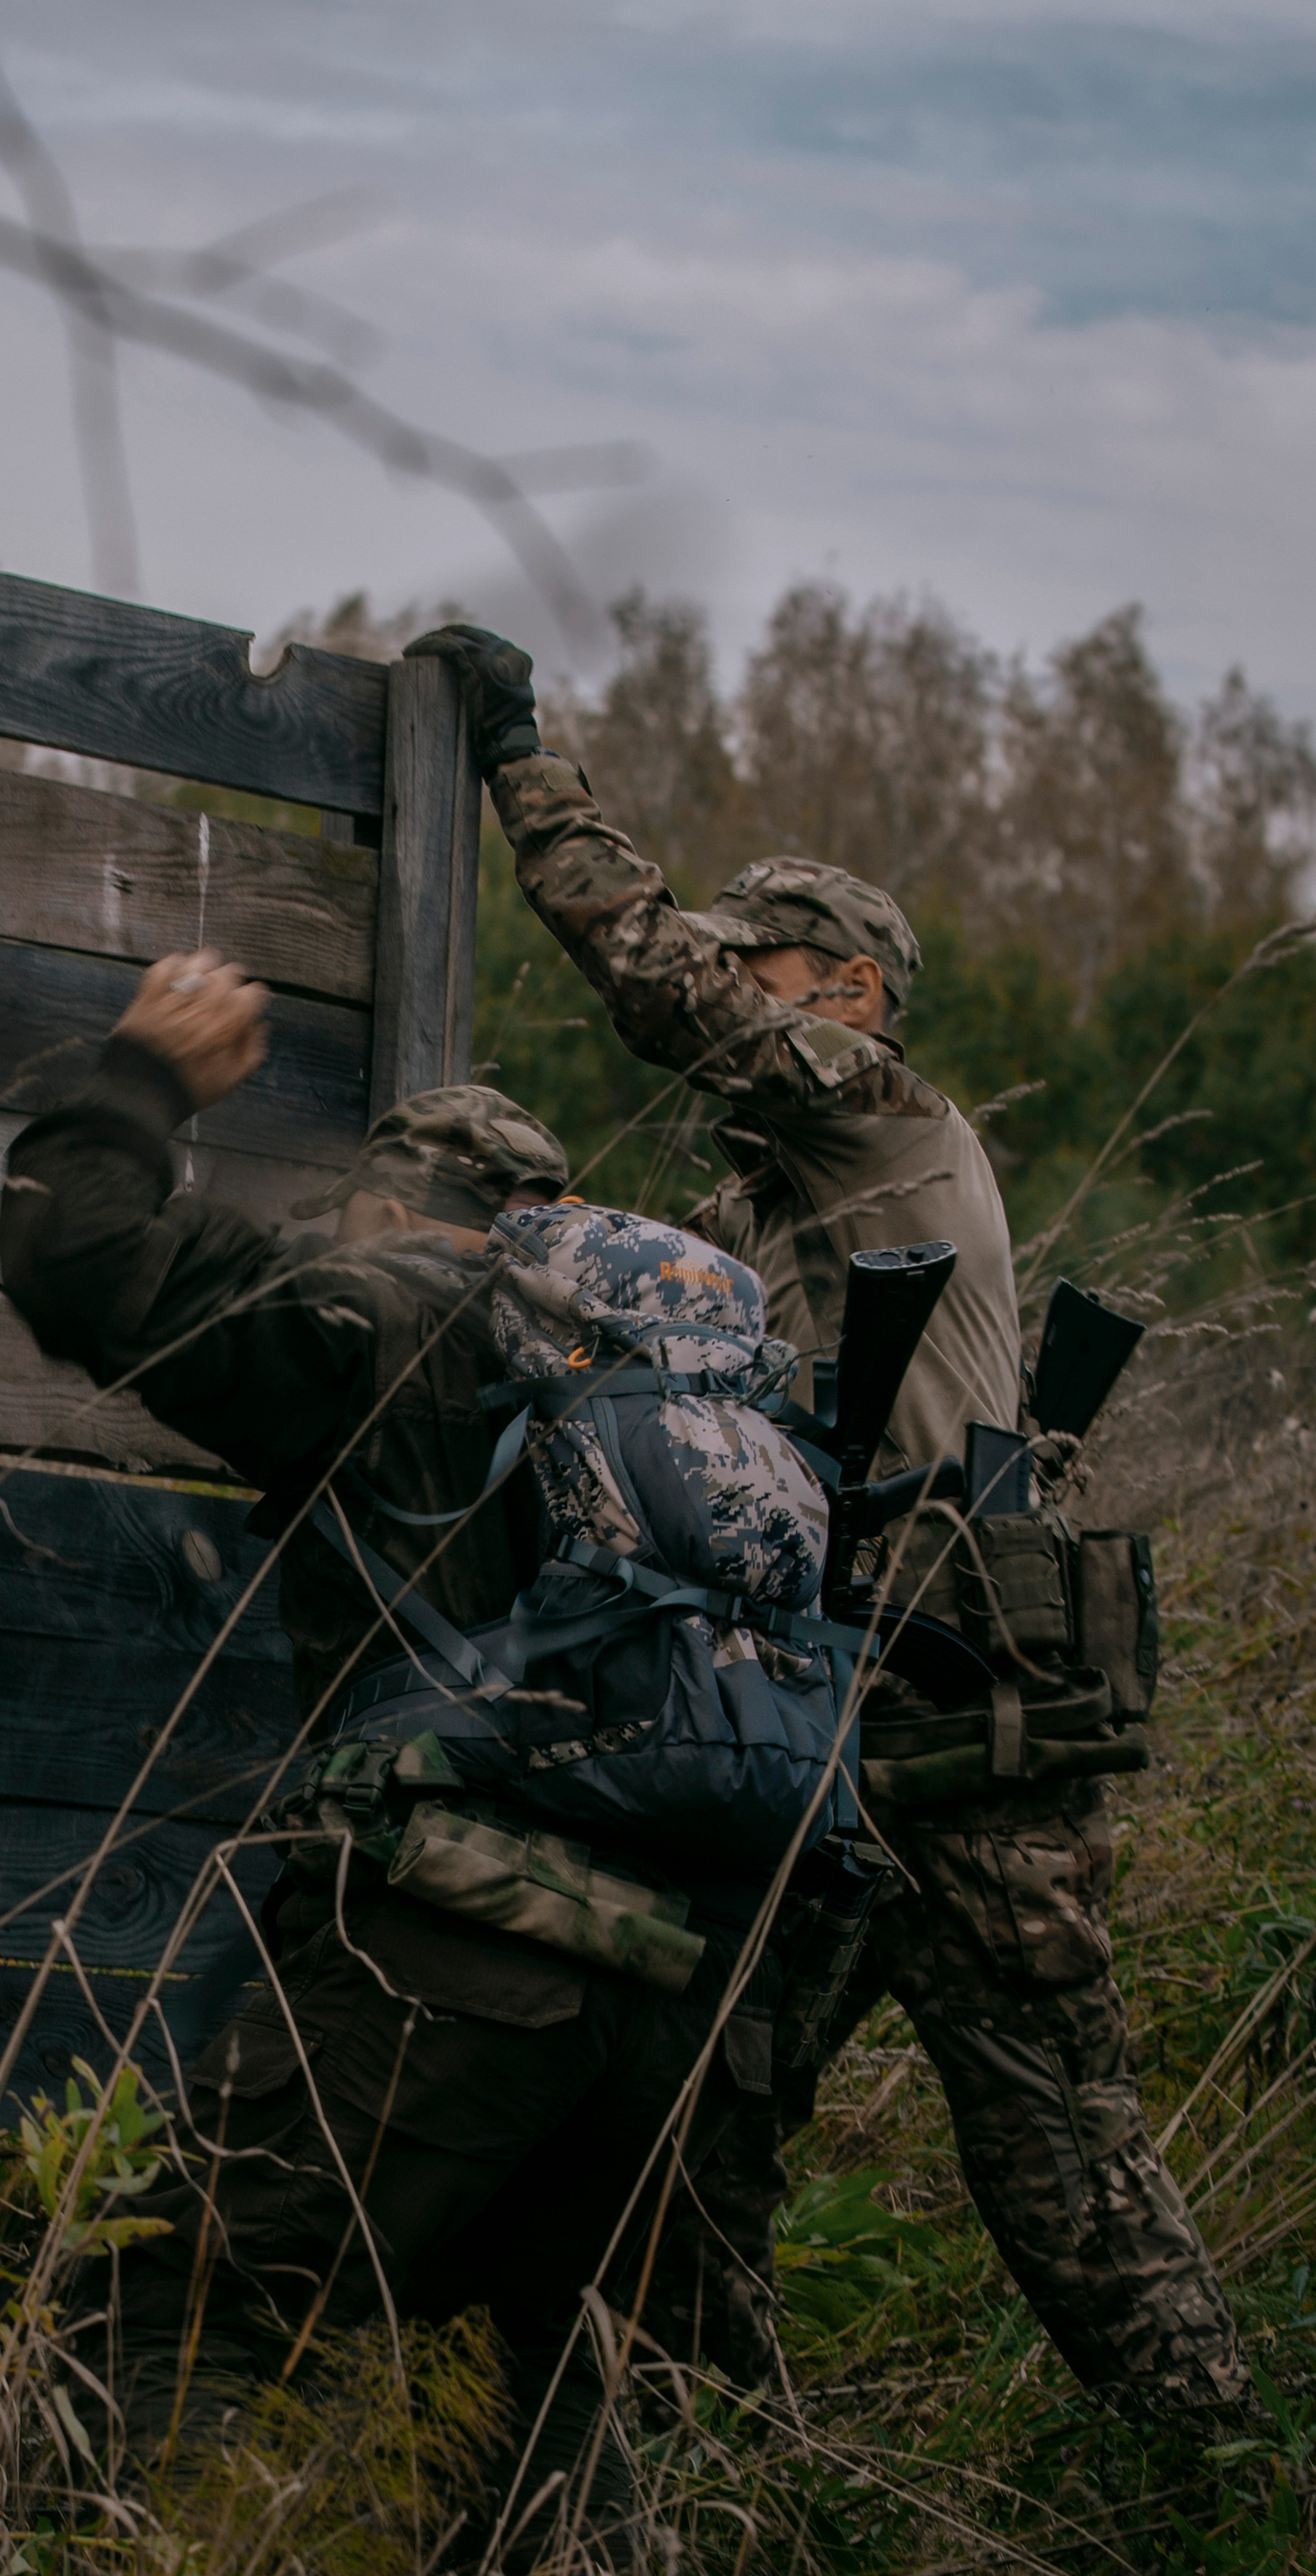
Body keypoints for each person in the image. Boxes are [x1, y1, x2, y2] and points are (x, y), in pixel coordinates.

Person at [406, 621, 1248, 2423]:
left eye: (758, 961)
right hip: (825, 1715)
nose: (722, 979)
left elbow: (648, 978)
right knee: (699, 2114)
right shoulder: (763, 1191)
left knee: (1061, 2155)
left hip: (962, 1720)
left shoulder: (881, 1121)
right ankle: (739, 2469)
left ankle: (1228, 2479)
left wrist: (519, 761)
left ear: (847, 994)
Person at [0, 955, 834, 2531]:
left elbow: (85, 1258)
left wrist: (140, 1080)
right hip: (682, 1999)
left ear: (383, 1204)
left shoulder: (385, 1310)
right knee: (553, 2436)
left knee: (167, 2327)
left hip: (450, 1955)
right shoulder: (651, 1381)